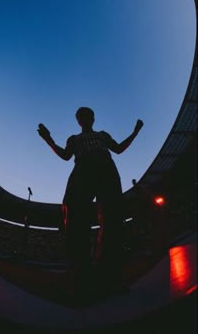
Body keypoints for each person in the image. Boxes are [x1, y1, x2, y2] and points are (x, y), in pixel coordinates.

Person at [37, 107, 143, 293]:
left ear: (92, 118)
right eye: (81, 116)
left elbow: (118, 149)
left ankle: (107, 271)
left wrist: (135, 132)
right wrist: (48, 139)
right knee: (75, 216)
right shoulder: (74, 139)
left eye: (87, 115)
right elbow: (65, 156)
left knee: (112, 217)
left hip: (105, 168)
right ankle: (82, 270)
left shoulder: (102, 135)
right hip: (83, 169)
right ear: (78, 120)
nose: (84, 118)